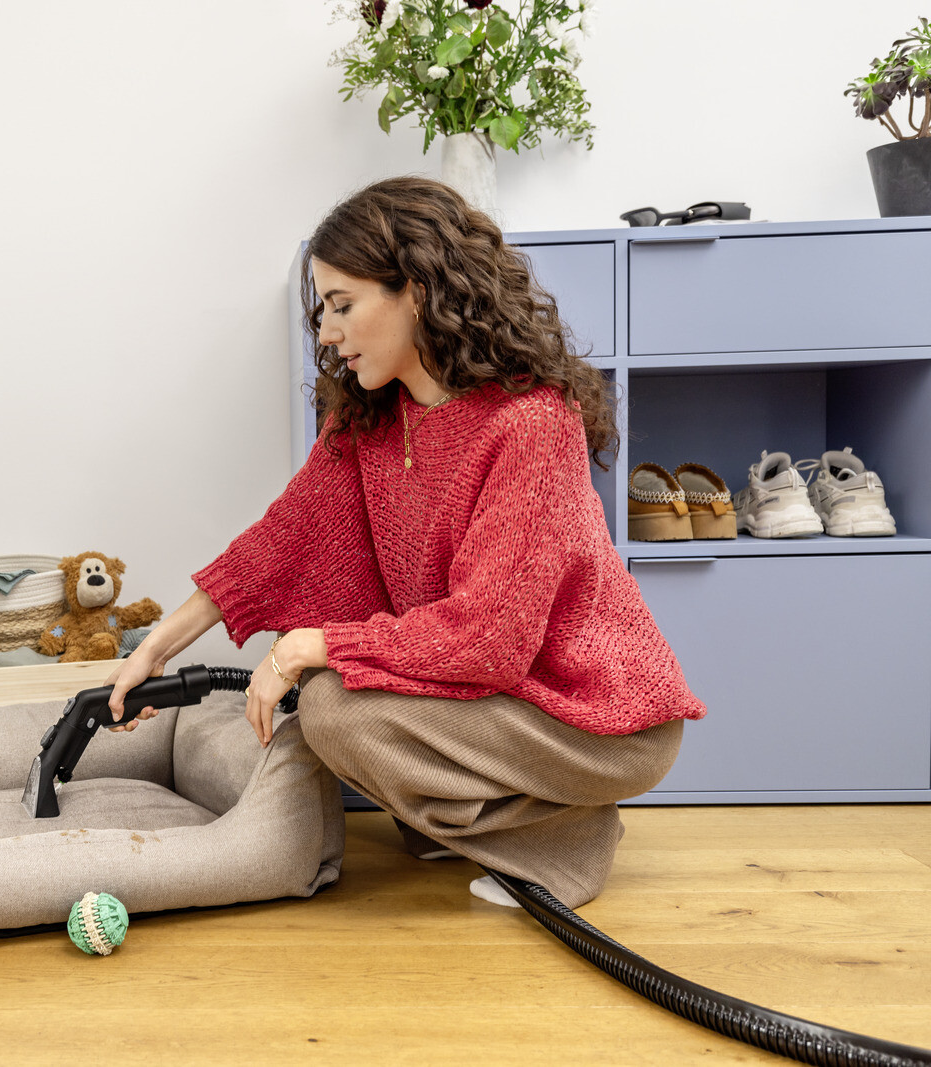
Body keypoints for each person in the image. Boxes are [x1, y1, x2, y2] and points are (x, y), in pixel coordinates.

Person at [102, 176, 705, 909]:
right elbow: (284, 540)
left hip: (595, 717)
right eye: (323, 310)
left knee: (331, 702)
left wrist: (312, 643)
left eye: (343, 305)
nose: (327, 333)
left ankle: (563, 840)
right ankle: (495, 827)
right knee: (330, 693)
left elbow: (490, 636)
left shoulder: (531, 423)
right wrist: (157, 646)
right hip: (495, 702)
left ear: (415, 292)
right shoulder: (373, 418)